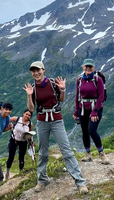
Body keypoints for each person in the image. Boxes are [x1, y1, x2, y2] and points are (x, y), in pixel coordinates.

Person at [25, 61, 88, 195]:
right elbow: (31, 109)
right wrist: (29, 95)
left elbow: (62, 99)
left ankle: (80, 182)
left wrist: (63, 89)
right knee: (43, 152)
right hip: (42, 121)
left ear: (43, 70)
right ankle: (42, 179)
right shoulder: (33, 88)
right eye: (33, 71)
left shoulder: (53, 83)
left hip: (57, 120)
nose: (36, 73)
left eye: (38, 70)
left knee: (66, 151)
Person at [74, 58, 110, 164]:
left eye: (90, 66)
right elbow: (77, 96)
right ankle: (88, 154)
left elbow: (101, 96)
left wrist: (95, 111)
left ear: (93, 68)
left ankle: (102, 154)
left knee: (92, 130)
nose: (88, 68)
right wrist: (76, 111)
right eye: (86, 66)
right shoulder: (79, 80)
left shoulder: (97, 79)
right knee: (84, 131)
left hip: (95, 107)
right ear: (83, 67)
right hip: (83, 108)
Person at [5, 109, 33, 179]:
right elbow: (6, 120)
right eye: (26, 114)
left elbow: (30, 134)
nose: (27, 116)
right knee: (11, 156)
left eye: (29, 115)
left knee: (21, 157)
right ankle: (7, 172)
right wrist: (9, 126)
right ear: (23, 114)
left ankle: (20, 173)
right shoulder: (17, 119)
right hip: (14, 139)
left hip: (23, 142)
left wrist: (31, 142)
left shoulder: (30, 124)